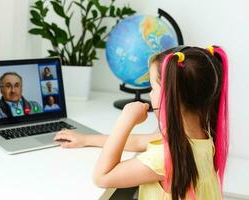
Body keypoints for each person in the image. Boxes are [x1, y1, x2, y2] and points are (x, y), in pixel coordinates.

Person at [54, 45, 229, 200]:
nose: (150, 95)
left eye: (153, 89)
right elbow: (139, 142)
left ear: (170, 96)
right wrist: (86, 140)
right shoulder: (201, 136)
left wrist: (126, 120)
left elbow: (102, 177)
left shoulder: (166, 157)